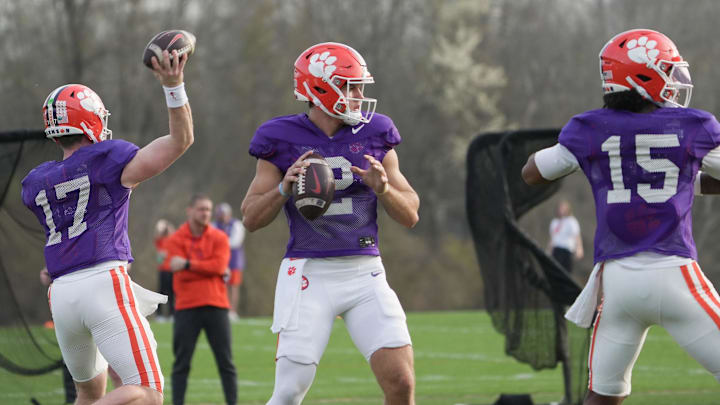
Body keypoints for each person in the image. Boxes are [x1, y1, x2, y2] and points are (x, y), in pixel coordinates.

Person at [521, 29, 720, 405]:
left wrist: (602, 161)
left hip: (617, 285)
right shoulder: (691, 126)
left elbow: (532, 173)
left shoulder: (589, 129)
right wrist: (682, 175)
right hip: (673, 274)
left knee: (603, 397)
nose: (675, 82)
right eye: (667, 71)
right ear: (643, 77)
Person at [242, 42, 420, 405]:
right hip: (309, 272)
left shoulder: (376, 132)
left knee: (401, 383)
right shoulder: (280, 137)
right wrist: (283, 187)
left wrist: (383, 189)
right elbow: (251, 218)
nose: (359, 96)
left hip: (364, 272)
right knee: (289, 392)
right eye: (350, 87)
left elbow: (411, 213)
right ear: (320, 88)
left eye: (360, 87)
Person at [21, 49, 193, 405]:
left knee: (89, 392)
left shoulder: (36, 181)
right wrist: (173, 86)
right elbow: (180, 142)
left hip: (62, 295)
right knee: (148, 393)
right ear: (89, 121)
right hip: (102, 283)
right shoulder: (107, 159)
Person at [163, 194, 237, 405]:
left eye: (208, 209)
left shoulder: (220, 238)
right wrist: (206, 267)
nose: (205, 213)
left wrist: (187, 264)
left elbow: (219, 266)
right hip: (187, 307)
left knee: (226, 363)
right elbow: (176, 269)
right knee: (181, 364)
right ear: (190, 210)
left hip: (217, 306)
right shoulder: (176, 239)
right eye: (201, 209)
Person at [213, 202, 247, 320]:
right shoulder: (214, 225)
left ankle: (233, 311)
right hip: (220, 260)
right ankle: (224, 308)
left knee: (234, 286)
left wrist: (221, 243)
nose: (222, 217)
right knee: (222, 285)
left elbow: (235, 242)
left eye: (223, 214)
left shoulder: (236, 225)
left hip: (234, 260)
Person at [548, 199, 583, 273]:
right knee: (555, 271)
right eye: (560, 208)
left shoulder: (571, 221)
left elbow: (576, 236)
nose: (561, 210)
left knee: (566, 272)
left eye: (563, 208)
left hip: (567, 250)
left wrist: (579, 248)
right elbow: (552, 238)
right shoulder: (554, 222)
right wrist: (549, 251)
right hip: (556, 250)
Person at [154, 219, 176, 321]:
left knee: (172, 292)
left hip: (172, 270)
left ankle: (172, 314)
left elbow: (174, 233)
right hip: (163, 270)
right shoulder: (160, 240)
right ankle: (160, 315)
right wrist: (161, 226)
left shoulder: (173, 240)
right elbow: (157, 233)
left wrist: (169, 227)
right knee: (162, 291)